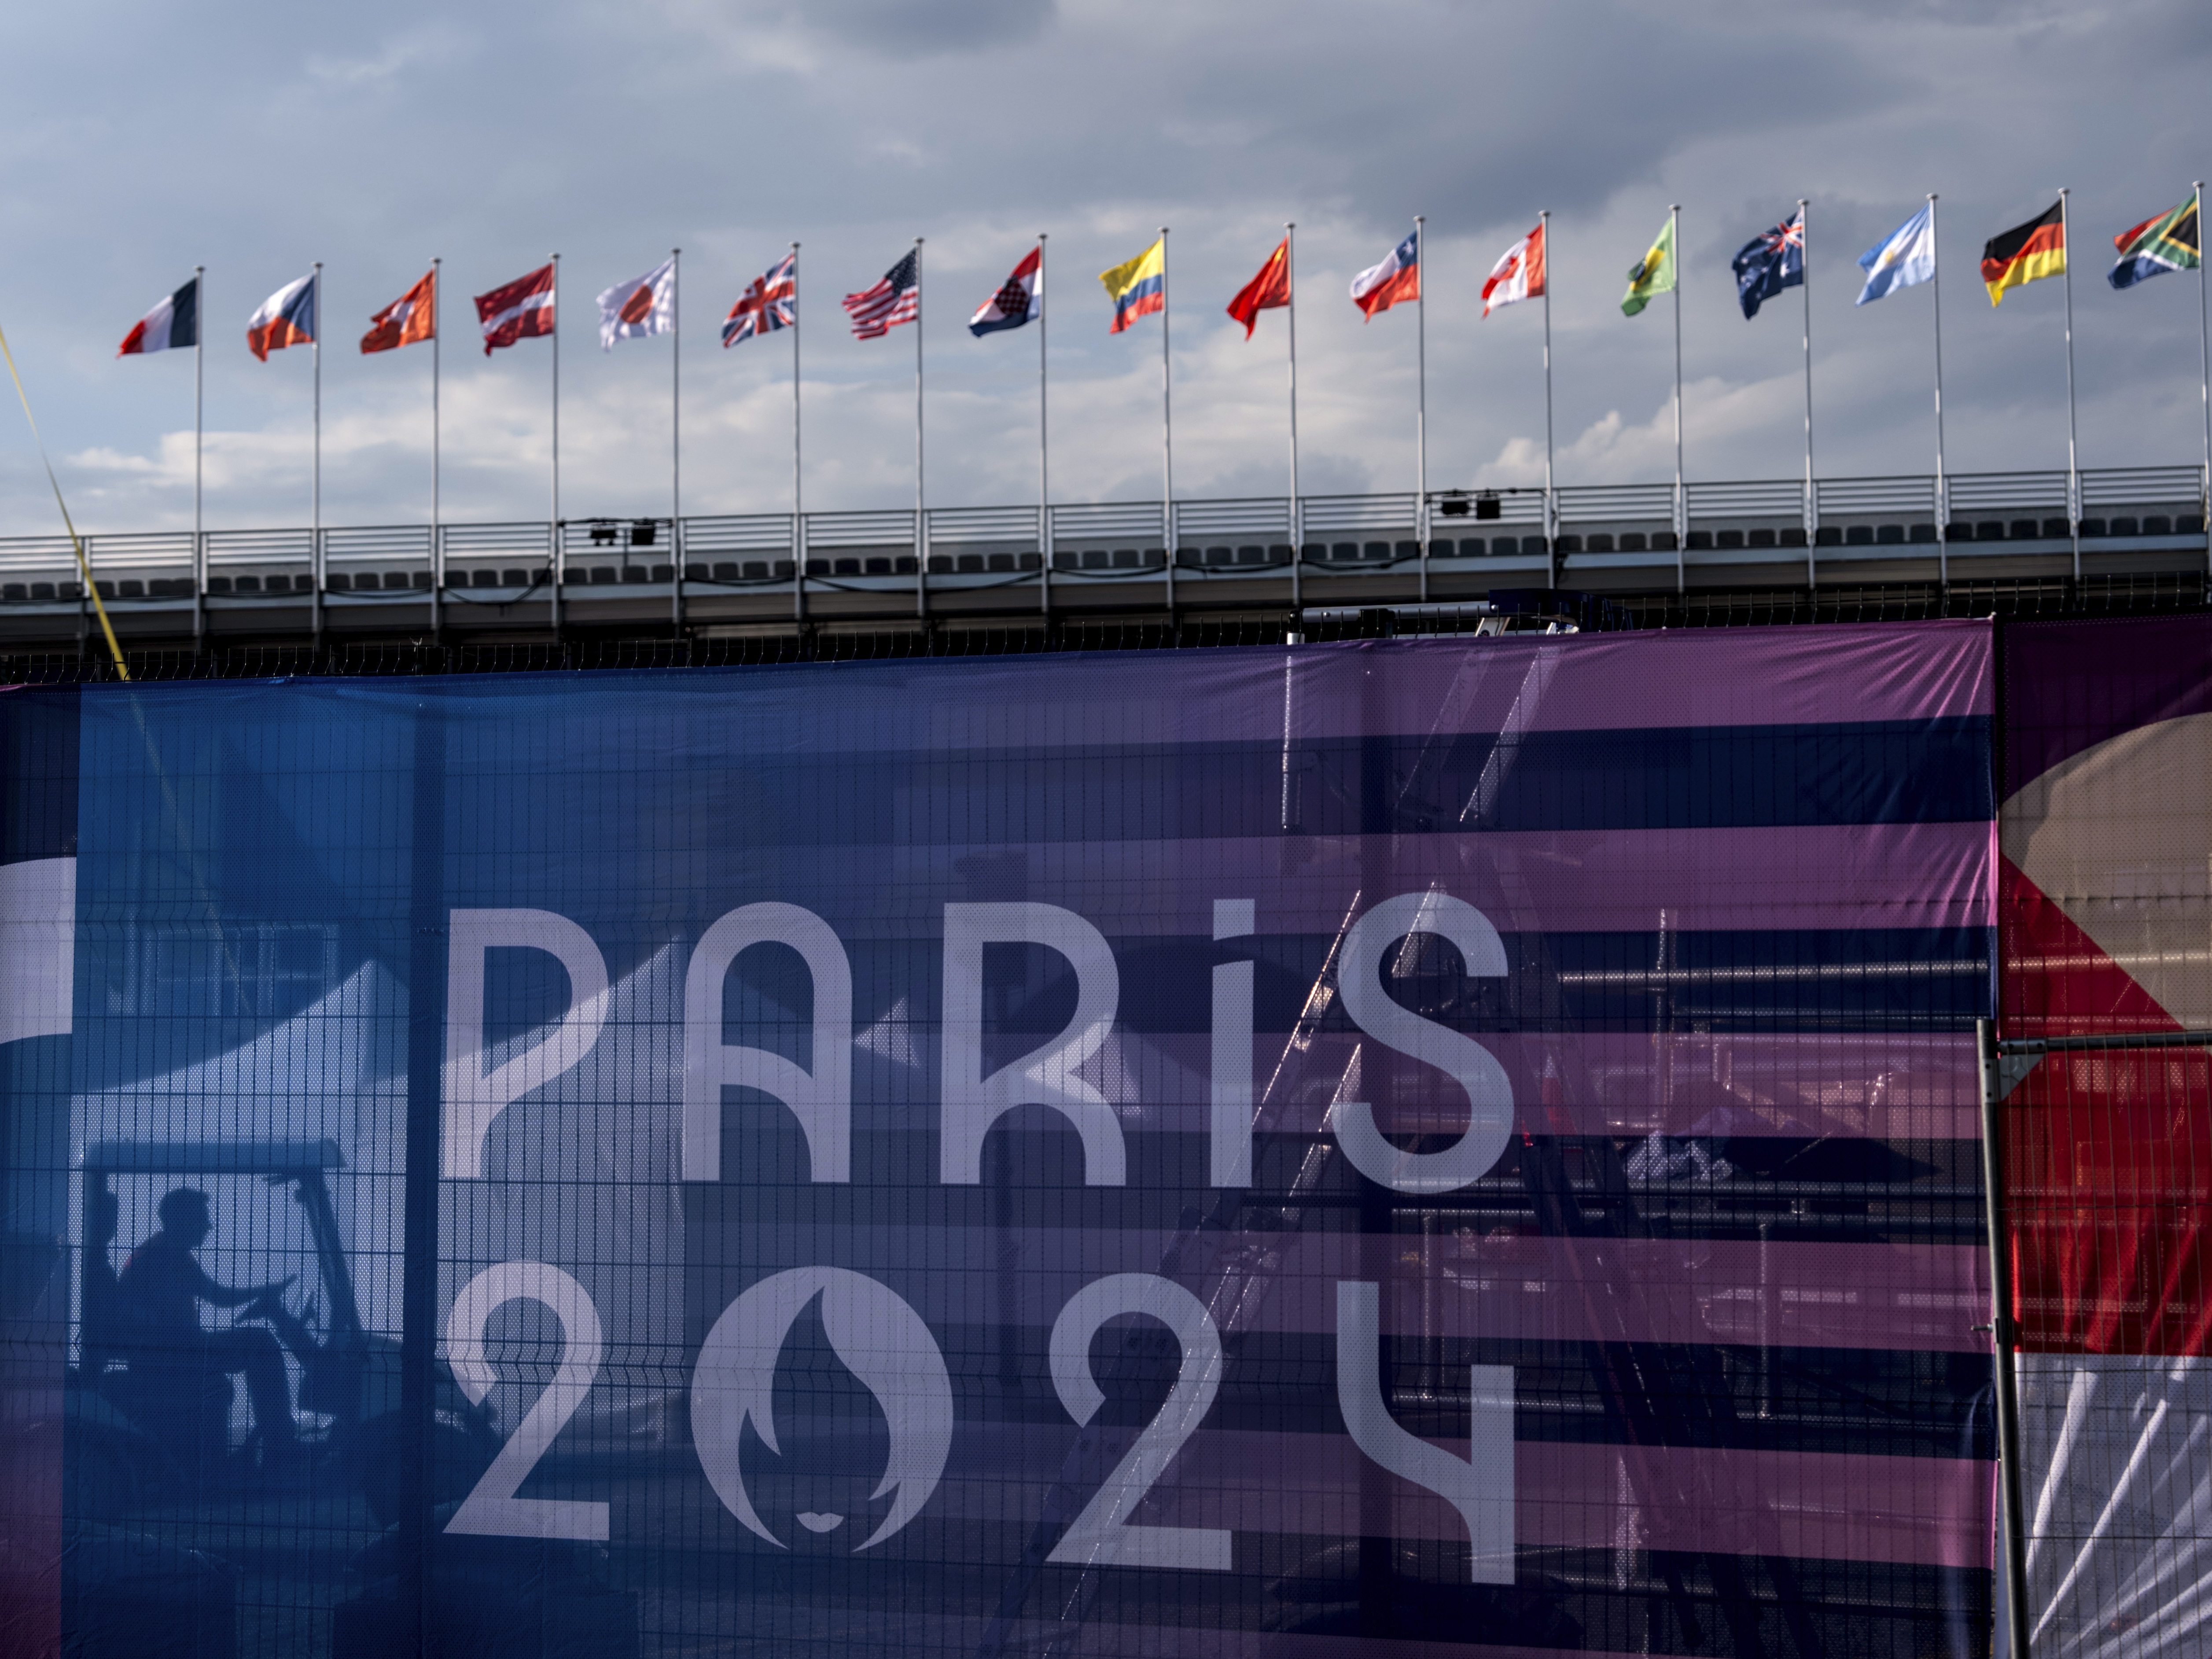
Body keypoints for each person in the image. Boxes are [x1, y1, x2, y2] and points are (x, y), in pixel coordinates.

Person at [117, 1188, 298, 1458]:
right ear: (184, 1221)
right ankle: (281, 1445)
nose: (209, 1226)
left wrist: (262, 1292)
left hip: (176, 1350)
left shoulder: (165, 1253)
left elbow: (216, 1296)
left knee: (256, 1341)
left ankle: (276, 1440)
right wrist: (264, 1292)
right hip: (174, 1355)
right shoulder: (161, 1260)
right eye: (202, 1218)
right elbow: (218, 1296)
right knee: (261, 1344)